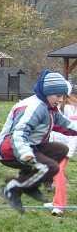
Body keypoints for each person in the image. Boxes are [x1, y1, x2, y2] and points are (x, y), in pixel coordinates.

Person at [0, 70, 77, 213]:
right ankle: (12, 189)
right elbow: (19, 134)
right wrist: (26, 155)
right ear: (47, 93)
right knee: (51, 168)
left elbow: (65, 125)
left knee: (61, 150)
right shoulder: (32, 108)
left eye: (63, 96)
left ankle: (29, 184)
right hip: (11, 150)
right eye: (58, 96)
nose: (61, 99)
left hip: (32, 146)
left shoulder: (50, 108)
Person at [45, 85, 77, 216]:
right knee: (55, 172)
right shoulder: (55, 107)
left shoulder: (69, 107)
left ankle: (59, 205)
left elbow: (74, 129)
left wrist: (70, 150)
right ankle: (57, 201)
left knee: (59, 172)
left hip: (65, 146)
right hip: (56, 145)